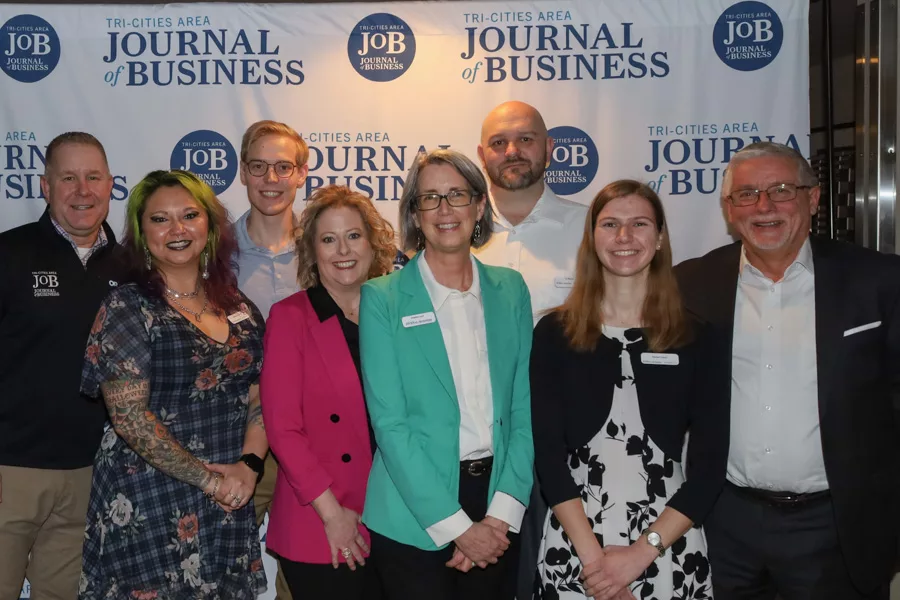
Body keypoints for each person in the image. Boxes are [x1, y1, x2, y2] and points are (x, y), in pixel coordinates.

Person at [675, 142, 900, 600]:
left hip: (836, 526)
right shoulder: (690, 285)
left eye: (780, 190)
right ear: (728, 209)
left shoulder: (878, 281)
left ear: (812, 199)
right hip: (725, 522)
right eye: (746, 194)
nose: (764, 206)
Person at [531, 180, 728, 600]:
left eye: (639, 224)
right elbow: (548, 459)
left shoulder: (697, 337)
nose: (624, 237)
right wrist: (598, 566)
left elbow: (710, 470)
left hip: (667, 545)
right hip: (577, 547)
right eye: (610, 224)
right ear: (592, 238)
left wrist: (641, 554)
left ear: (659, 239)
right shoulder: (553, 334)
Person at [79, 170, 268, 599]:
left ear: (210, 224)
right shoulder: (128, 306)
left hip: (228, 497)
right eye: (160, 220)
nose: (178, 229)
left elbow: (260, 393)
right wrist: (210, 481)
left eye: (189, 215)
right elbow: (129, 417)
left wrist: (249, 468)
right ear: (143, 235)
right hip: (149, 501)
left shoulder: (239, 306)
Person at [359, 149, 534, 600]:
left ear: (479, 206)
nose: (444, 210)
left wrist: (501, 516)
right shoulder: (383, 298)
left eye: (456, 195)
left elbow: (523, 410)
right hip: (413, 511)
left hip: (497, 499)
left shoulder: (511, 289)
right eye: (429, 198)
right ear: (414, 215)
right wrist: (458, 528)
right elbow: (390, 425)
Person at [0, 132, 128, 600]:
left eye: (93, 177)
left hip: (90, 475)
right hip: (9, 471)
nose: (82, 190)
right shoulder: (9, 254)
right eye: (68, 177)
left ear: (111, 185)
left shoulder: (132, 267)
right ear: (44, 186)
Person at [472, 100, 588, 599]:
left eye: (525, 139)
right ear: (483, 155)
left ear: (549, 147)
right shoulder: (455, 234)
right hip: (482, 442)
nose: (512, 151)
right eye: (499, 143)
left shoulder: (593, 229)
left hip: (574, 439)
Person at [260, 185, 394, 598]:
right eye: (328, 239)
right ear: (312, 251)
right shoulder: (290, 317)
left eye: (353, 235)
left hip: (392, 516)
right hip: (322, 518)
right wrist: (333, 515)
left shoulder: (396, 312)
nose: (343, 250)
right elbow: (283, 429)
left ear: (373, 243)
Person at [234, 119, 309, 599]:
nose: (271, 179)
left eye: (283, 167)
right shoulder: (211, 251)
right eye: (259, 166)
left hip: (314, 440)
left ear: (302, 173)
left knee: (307, 577)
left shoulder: (331, 249)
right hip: (238, 440)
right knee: (225, 569)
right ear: (242, 172)